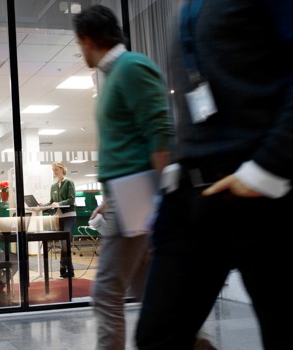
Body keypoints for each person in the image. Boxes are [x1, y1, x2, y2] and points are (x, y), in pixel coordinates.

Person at [136, 2, 293, 350]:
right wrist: (174, 178)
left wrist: (269, 167)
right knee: (158, 336)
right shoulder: (186, 7)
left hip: (264, 191)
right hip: (192, 196)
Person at [73, 5, 173, 350]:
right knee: (144, 286)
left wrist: (166, 198)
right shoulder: (114, 75)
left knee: (106, 291)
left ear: (87, 40)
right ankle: (194, 342)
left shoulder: (132, 67)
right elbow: (126, 144)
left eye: (78, 43)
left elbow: (159, 132)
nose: (79, 50)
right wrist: (108, 199)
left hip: (137, 194)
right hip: (125, 196)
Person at [43, 161, 76, 278]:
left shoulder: (69, 182)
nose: (54, 172)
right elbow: (52, 201)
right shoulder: (53, 186)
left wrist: (59, 203)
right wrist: (45, 205)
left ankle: (67, 268)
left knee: (65, 243)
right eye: (53, 170)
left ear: (62, 169)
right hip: (59, 217)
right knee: (63, 244)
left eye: (56, 169)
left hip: (69, 216)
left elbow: (71, 200)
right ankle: (65, 268)